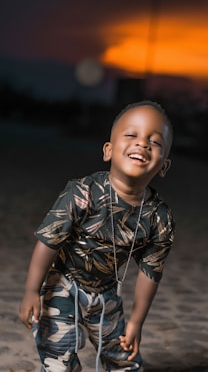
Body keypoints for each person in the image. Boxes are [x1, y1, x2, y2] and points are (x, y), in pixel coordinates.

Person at [19, 100, 175, 372]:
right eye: (131, 134)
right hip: (63, 285)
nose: (143, 144)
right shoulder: (83, 193)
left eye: (155, 141)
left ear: (164, 166)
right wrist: (32, 290)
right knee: (59, 361)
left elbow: (150, 273)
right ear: (109, 150)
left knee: (124, 360)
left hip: (107, 292)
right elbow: (48, 241)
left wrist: (136, 323)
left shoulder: (159, 217)